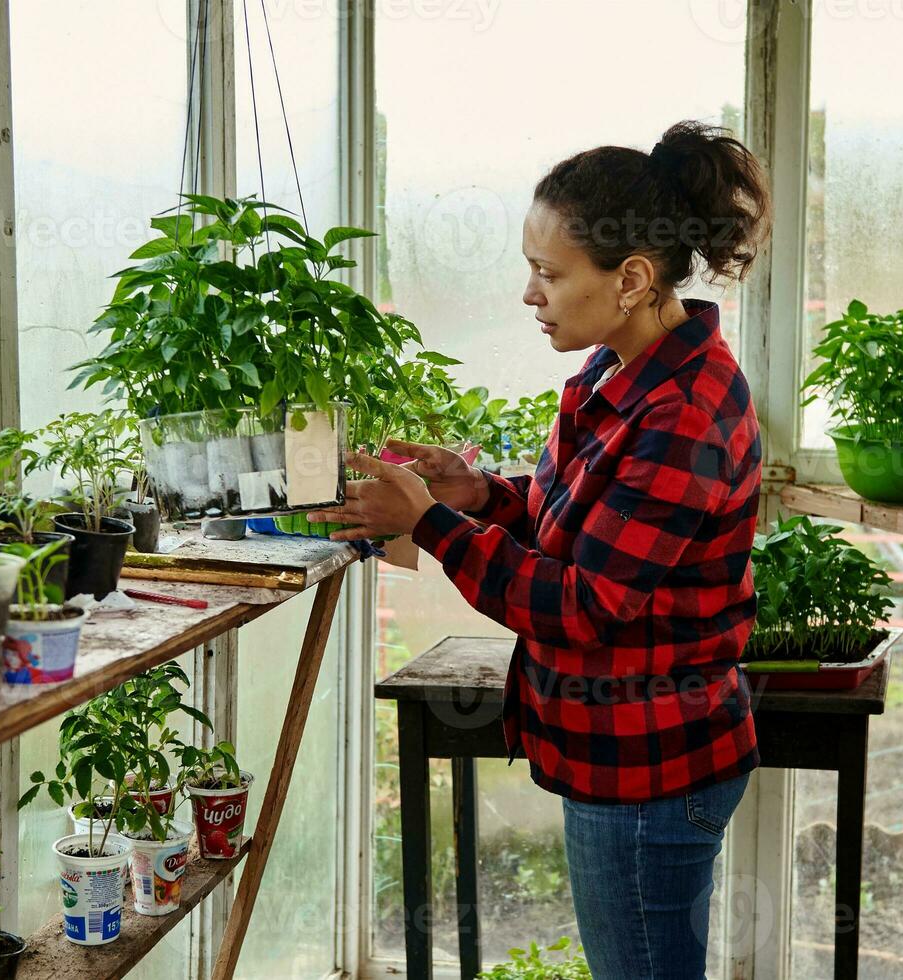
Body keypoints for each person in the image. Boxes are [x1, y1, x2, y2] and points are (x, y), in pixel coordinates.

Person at [307, 119, 773, 979]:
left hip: (650, 766)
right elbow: (584, 529)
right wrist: (481, 496)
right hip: (627, 752)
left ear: (631, 278)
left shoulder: (684, 415)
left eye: (549, 274)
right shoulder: (621, 370)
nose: (530, 293)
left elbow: (585, 605)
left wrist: (429, 525)